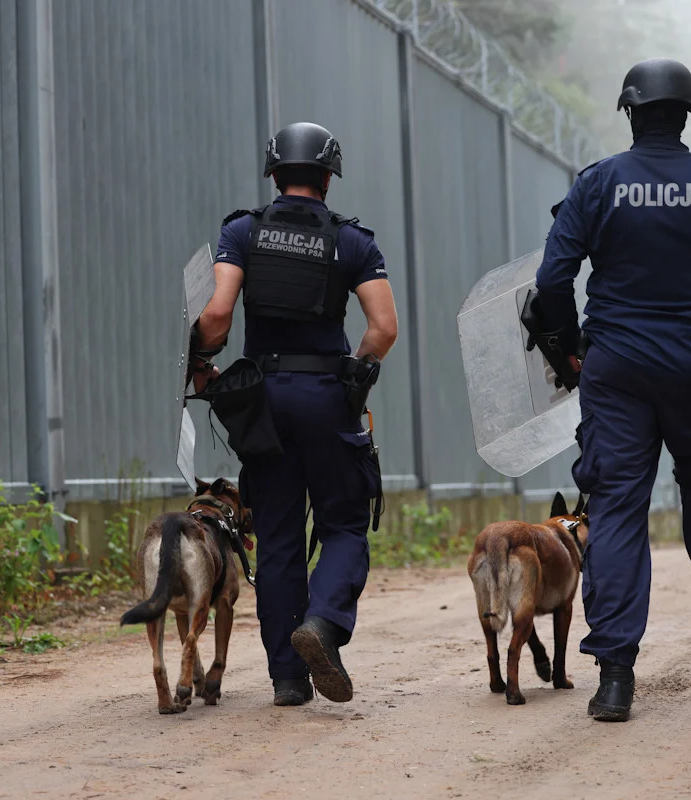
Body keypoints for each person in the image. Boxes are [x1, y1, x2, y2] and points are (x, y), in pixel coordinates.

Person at [532, 59, 691, 722]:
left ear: (632, 112)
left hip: (618, 372)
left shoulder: (599, 184)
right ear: (687, 113)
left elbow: (554, 280)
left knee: (615, 510)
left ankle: (615, 680)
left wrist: (574, 342)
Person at [191, 121, 398, 706]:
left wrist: (203, 362)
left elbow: (217, 316)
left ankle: (287, 678)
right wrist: (354, 370)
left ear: (274, 174)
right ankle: (325, 624)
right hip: (326, 396)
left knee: (279, 536)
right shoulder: (353, 242)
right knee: (342, 522)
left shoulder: (243, 231)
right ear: (329, 178)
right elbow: (383, 329)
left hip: (263, 401)